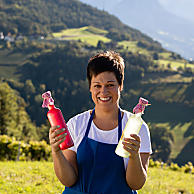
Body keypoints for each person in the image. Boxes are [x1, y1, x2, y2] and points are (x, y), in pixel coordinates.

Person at [49, 50, 152, 194]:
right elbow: (68, 180)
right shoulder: (76, 124)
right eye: (97, 85)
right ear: (90, 88)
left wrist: (134, 156)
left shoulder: (137, 128)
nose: (103, 92)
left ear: (120, 86)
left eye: (110, 85)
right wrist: (56, 151)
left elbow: (136, 184)